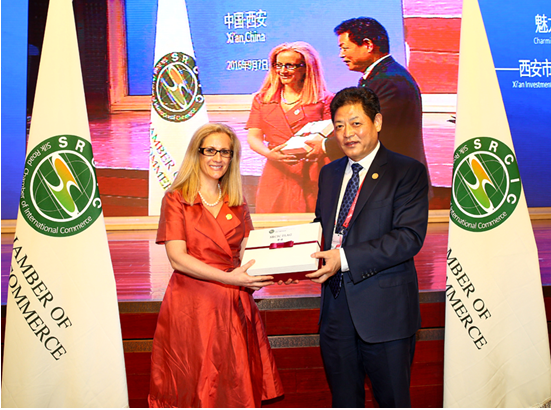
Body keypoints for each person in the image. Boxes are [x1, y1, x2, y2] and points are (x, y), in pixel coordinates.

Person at [306, 87, 429, 408]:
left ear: (377, 122)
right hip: (335, 312)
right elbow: (323, 227)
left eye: (356, 123)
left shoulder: (407, 171)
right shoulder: (329, 173)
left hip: (385, 313)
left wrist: (343, 258)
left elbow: (408, 238)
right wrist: (290, 254)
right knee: (344, 401)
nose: (347, 133)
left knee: (392, 401)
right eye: (339, 126)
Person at [148, 123, 284, 408]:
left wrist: (285, 268)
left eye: (225, 152)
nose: (218, 158)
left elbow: (249, 253)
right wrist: (230, 279)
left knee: (234, 387)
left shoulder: (237, 201)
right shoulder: (176, 199)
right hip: (193, 306)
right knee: (194, 383)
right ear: (196, 154)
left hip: (234, 304)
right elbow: (177, 258)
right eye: (210, 150)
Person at [326, 17, 430, 181]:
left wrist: (323, 146)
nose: (341, 55)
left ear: (368, 45)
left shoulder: (388, 81)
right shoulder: (382, 76)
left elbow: (370, 132)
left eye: (345, 48)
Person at [246, 41, 334, 213]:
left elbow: (331, 139)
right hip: (277, 171)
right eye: (278, 65)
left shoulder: (325, 100)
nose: (283, 71)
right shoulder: (262, 100)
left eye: (290, 65)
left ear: (306, 68)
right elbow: (253, 137)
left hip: (314, 172)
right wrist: (270, 154)